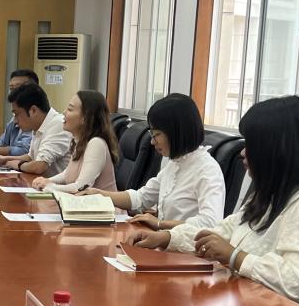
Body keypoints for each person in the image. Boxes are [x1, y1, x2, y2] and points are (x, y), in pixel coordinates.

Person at [129, 96, 299, 306]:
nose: (243, 152)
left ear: (276, 151)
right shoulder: (266, 197)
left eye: (251, 145)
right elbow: (218, 232)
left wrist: (235, 256)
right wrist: (166, 238)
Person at [81, 93, 225, 230]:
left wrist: (160, 224)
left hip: (186, 246)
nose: (152, 141)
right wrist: (98, 193)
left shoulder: (207, 170)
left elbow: (210, 223)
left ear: (176, 133)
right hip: (165, 241)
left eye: (156, 135)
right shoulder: (174, 163)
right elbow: (141, 198)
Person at [32, 90, 118, 192]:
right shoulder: (80, 141)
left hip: (100, 202)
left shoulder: (96, 143)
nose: (64, 112)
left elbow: (82, 187)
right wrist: (47, 181)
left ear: (85, 118)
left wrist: (50, 186)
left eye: (70, 109)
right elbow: (68, 174)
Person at [0, 82, 71, 176]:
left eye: (17, 114)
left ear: (33, 110)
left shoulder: (58, 124)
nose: (15, 121)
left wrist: (17, 165)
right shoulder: (38, 125)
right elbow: (31, 157)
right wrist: (5, 159)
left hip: (56, 185)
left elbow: (39, 166)